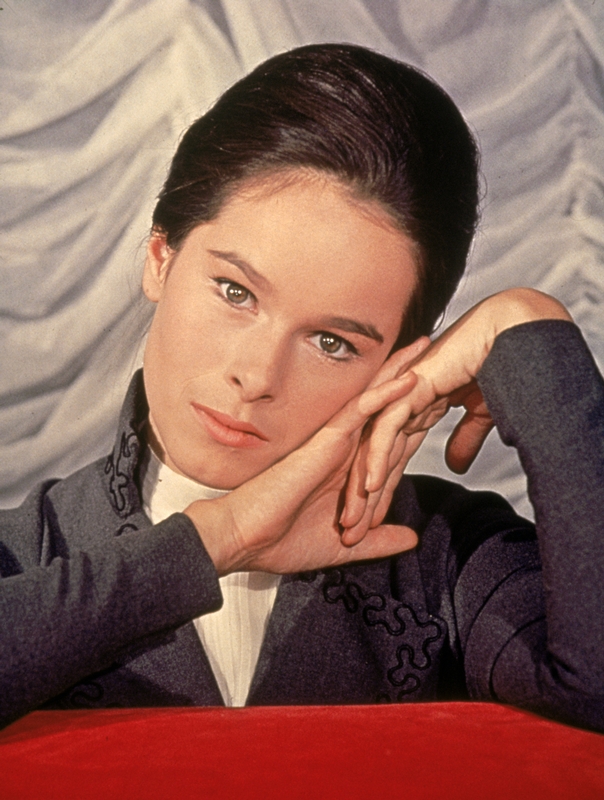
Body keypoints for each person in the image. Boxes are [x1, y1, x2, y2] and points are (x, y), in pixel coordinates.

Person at [1, 44, 602, 731]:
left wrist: (530, 326)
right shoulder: (22, 552)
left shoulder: (448, 560)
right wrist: (219, 537)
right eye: (235, 292)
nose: (257, 377)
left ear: (401, 363)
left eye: (332, 342)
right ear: (161, 257)